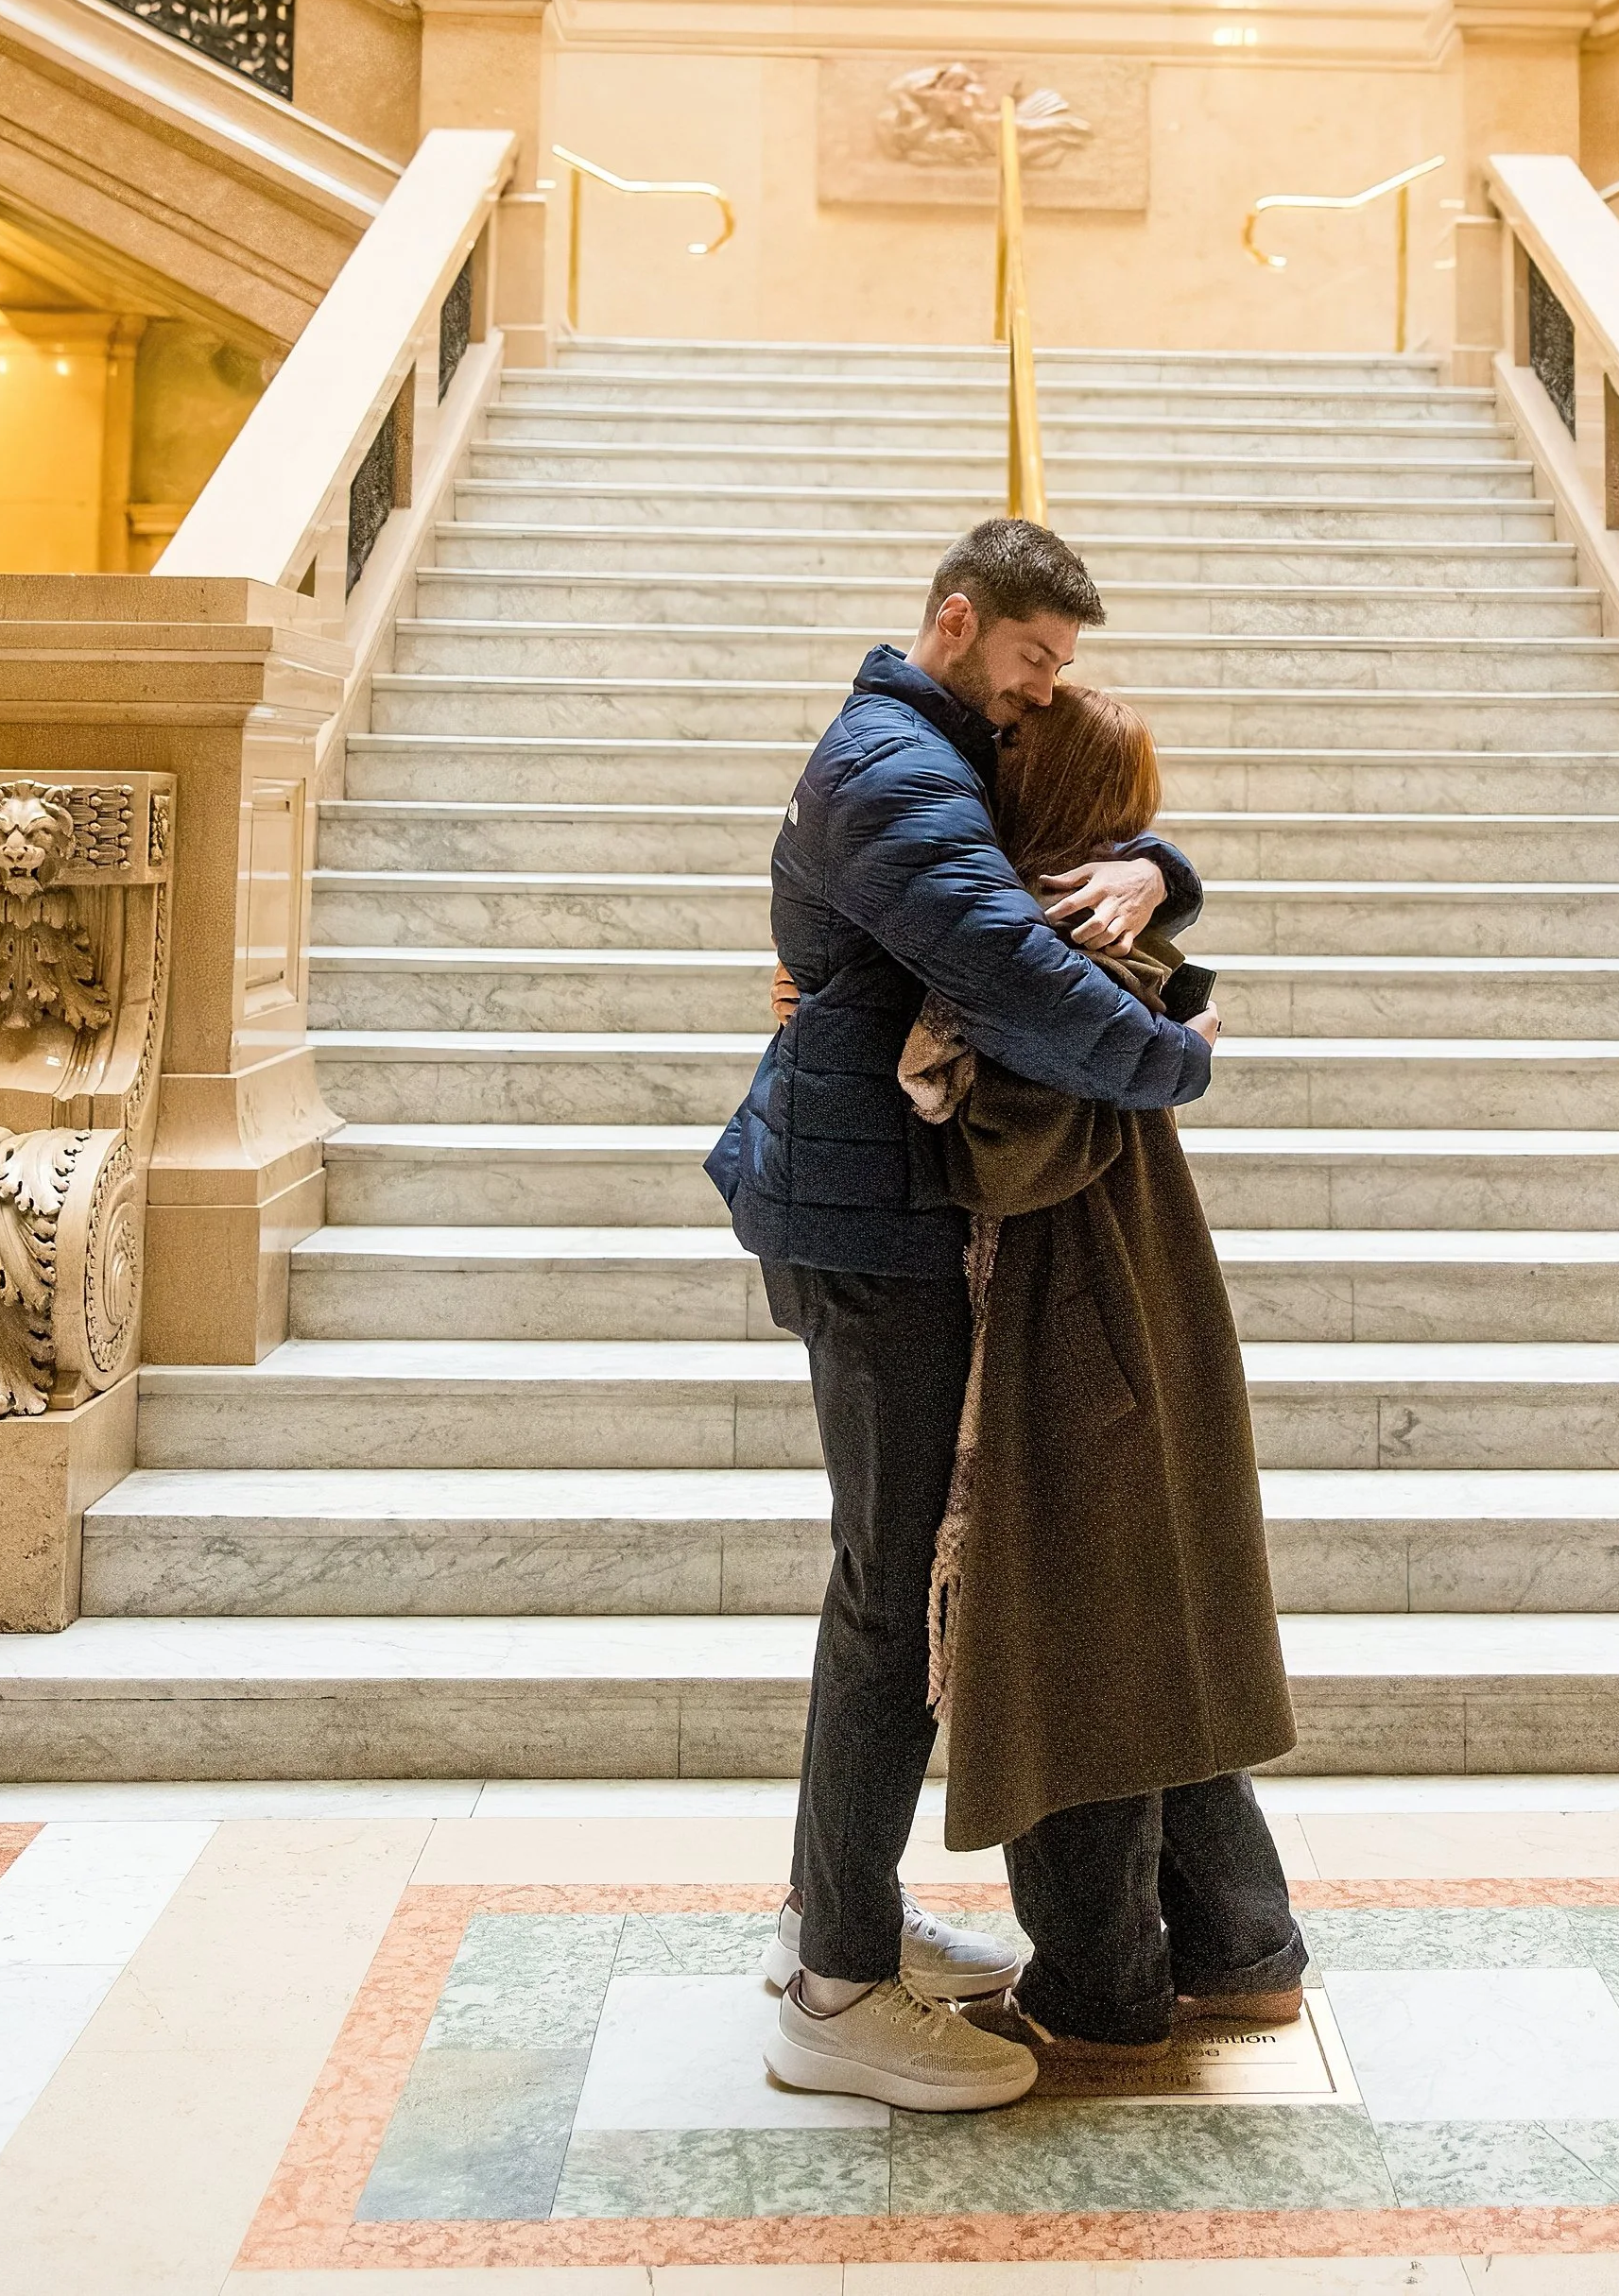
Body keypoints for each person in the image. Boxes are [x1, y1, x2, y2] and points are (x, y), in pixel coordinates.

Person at [705, 517, 1219, 2113]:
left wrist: (1158, 871)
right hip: (869, 1229)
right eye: (1032, 662)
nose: (1043, 694)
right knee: (886, 1601)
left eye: (1057, 673)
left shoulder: (930, 751)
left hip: (872, 1206)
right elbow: (1007, 958)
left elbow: (1069, 840)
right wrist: (1180, 1061)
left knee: (891, 1588)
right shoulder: (891, 765)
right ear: (956, 621)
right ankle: (839, 1985)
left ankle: (838, 1921)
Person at [899, 683, 1304, 2080]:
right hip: (1138, 1308)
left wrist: (919, 1053)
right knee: (1154, 1640)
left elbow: (1018, 1149)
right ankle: (1247, 1949)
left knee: (1071, 1656)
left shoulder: (1044, 944)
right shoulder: (1114, 915)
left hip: (1081, 1327)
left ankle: (1101, 1983)